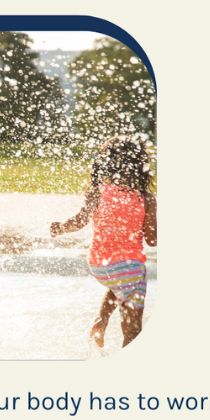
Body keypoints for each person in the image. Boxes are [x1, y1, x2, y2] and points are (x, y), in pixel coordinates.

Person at [50, 136, 157, 349]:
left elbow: (80, 221)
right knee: (133, 327)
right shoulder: (145, 197)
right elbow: (152, 240)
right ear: (139, 164)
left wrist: (61, 227)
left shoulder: (97, 191)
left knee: (121, 282)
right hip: (130, 269)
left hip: (99, 265)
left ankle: (101, 321)